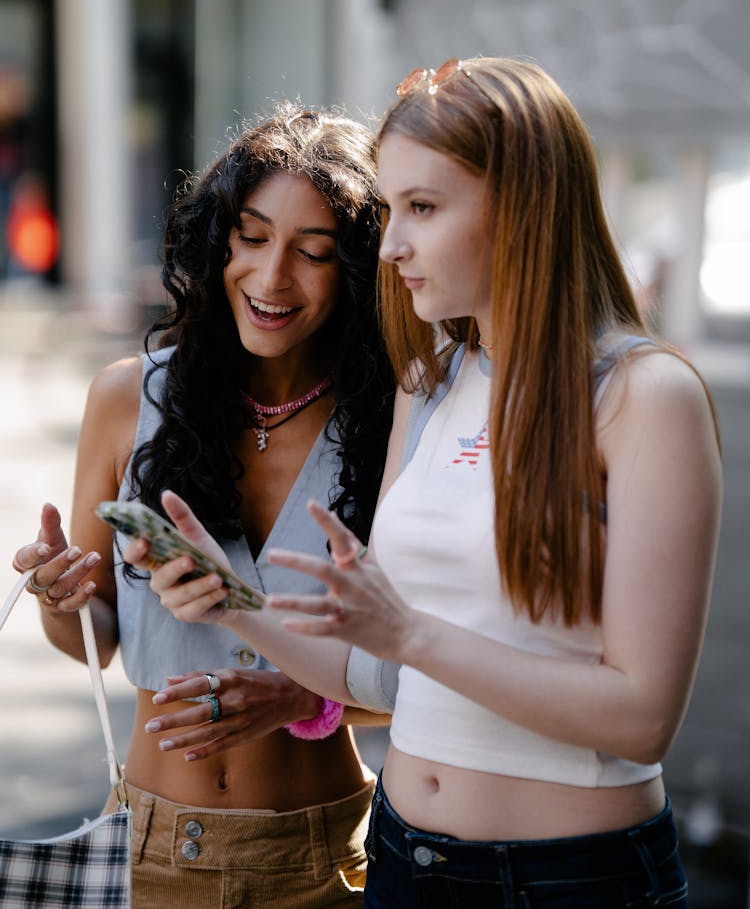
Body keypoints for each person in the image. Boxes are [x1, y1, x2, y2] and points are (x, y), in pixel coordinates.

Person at [127, 58, 721, 908]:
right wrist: (227, 600)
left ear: (522, 207)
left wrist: (407, 633)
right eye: (393, 207)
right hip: (406, 862)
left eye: (424, 208)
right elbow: (376, 675)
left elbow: (641, 715)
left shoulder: (644, 396)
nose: (393, 242)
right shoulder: (430, 382)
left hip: (568, 877)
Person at [11, 103, 395, 908]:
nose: (270, 277)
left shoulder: (391, 420)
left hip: (325, 859)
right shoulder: (128, 398)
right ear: (217, 239)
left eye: (313, 252)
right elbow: (96, 641)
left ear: (357, 269)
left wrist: (306, 695)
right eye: (250, 238)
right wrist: (63, 596)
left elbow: (425, 664)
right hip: (150, 852)